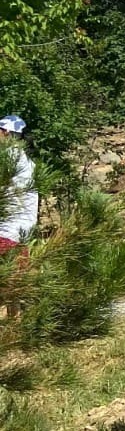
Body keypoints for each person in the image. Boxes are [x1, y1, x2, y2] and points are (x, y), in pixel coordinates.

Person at [1, 115, 38, 319]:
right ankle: (15, 325)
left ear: (6, 132)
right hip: (22, 230)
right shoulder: (27, 161)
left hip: (7, 228)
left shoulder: (9, 158)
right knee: (13, 281)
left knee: (7, 279)